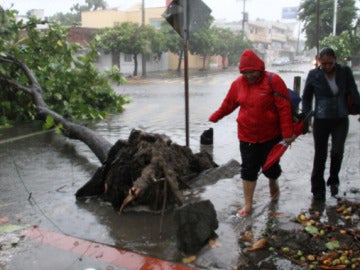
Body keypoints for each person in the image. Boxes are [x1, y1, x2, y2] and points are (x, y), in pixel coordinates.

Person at [208, 49, 296, 217]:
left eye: (252, 72)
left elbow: (284, 108)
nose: (249, 76)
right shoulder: (238, 84)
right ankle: (248, 204)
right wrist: (216, 116)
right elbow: (228, 104)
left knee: (270, 167)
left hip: (270, 135)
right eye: (245, 73)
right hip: (247, 135)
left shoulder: (273, 80)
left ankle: (273, 182)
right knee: (248, 169)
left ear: (260, 68)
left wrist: (287, 133)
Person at [302, 46, 360, 201]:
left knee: (337, 151)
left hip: (341, 118)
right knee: (319, 155)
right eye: (324, 63)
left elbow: (353, 91)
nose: (327, 67)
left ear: (335, 60)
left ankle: (333, 179)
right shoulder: (314, 75)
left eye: (330, 63)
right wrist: (307, 118)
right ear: (319, 62)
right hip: (321, 119)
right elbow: (306, 97)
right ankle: (317, 189)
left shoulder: (344, 72)